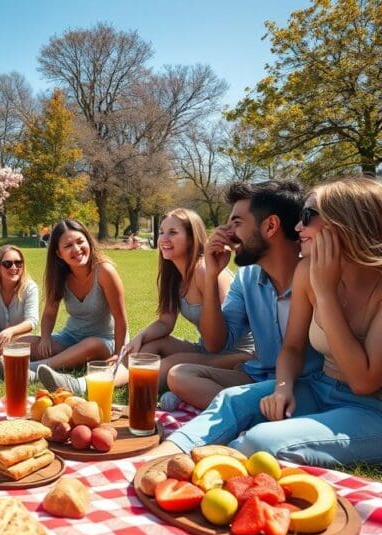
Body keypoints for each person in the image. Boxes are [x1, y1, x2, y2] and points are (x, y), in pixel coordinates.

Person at [151, 176, 382, 467]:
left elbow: (363, 382)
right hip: (317, 385)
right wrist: (282, 388)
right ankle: (158, 459)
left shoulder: (336, 283)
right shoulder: (306, 272)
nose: (298, 228)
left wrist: (325, 294)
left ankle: (218, 465)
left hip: (370, 408)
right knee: (231, 401)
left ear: (346, 223)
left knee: (262, 441)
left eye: (307, 217)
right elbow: (293, 347)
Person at [38, 209, 254, 397]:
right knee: (149, 347)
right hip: (208, 348)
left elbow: (219, 339)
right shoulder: (174, 275)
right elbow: (166, 322)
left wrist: (210, 284)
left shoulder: (206, 271)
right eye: (161, 232)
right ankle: (88, 383)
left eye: (173, 232)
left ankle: (88, 386)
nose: (163, 239)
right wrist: (139, 338)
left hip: (237, 355)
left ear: (191, 237)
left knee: (169, 363)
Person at [0, 219, 127, 381]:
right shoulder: (59, 275)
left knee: (90, 345)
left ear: (88, 241)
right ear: (59, 253)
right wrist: (45, 338)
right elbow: (50, 313)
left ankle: (32, 370)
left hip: (104, 341)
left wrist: (117, 355)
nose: (77, 249)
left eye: (80, 242)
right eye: (68, 246)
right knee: (25, 343)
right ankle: (15, 361)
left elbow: (120, 318)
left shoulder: (104, 271)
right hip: (71, 337)